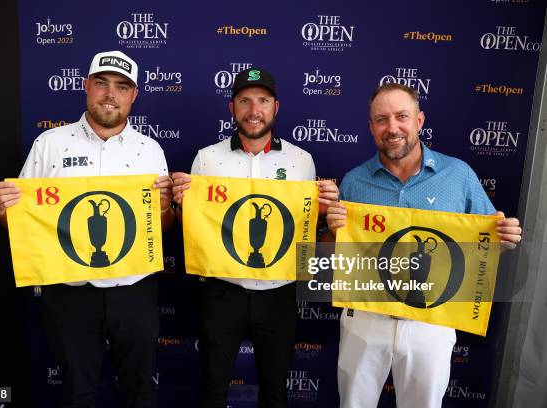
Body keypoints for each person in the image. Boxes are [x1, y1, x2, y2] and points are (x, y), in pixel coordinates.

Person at [0, 50, 174, 408]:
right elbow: (23, 222)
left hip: (133, 290)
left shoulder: (151, 149)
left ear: (133, 95)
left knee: (141, 391)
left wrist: (164, 207)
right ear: (85, 86)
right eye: (101, 83)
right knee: (77, 393)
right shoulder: (50, 144)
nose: (109, 94)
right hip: (70, 293)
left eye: (121, 86)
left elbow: (161, 227)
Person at [325, 83, 523, 408]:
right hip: (364, 319)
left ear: (419, 120)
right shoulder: (353, 181)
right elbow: (333, 255)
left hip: (431, 322)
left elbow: (488, 243)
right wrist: (332, 232)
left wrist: (506, 239)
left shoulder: (458, 176)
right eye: (382, 119)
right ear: (371, 127)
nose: (393, 128)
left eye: (402, 117)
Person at [171, 68, 339, 408]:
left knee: (275, 392)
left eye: (263, 101)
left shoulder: (301, 160)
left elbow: (305, 228)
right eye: (244, 101)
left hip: (279, 294)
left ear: (276, 108)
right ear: (232, 108)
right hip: (222, 291)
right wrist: (179, 203)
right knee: (213, 388)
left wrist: (326, 212)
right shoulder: (207, 158)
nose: (254, 110)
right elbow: (190, 225)